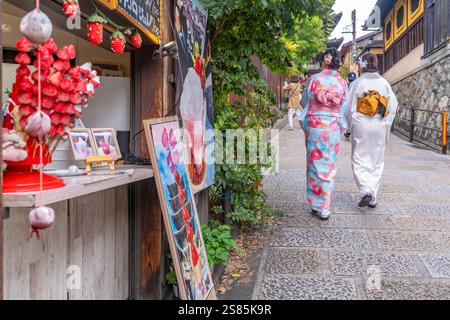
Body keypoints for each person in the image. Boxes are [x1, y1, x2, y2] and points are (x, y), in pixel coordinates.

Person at [299, 48, 349, 220]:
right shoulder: (342, 82)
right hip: (332, 125)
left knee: (314, 162)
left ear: (323, 60)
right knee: (329, 162)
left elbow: (304, 101)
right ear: (337, 62)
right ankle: (325, 206)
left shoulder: (314, 80)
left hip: (314, 124)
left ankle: (315, 203)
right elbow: (345, 107)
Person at [347, 53, 398, 208]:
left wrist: (351, 126)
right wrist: (386, 124)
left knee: (359, 157)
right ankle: (373, 196)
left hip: (361, 123)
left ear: (363, 65)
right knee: (376, 160)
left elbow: (348, 107)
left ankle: (365, 190)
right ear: (376, 64)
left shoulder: (356, 83)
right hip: (379, 123)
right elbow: (393, 106)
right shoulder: (384, 83)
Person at [344, 72, 358, 141]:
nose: (351, 81)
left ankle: (349, 133)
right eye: (350, 80)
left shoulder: (355, 85)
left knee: (351, 119)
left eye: (352, 80)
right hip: (350, 105)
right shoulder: (346, 86)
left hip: (354, 105)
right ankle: (348, 133)